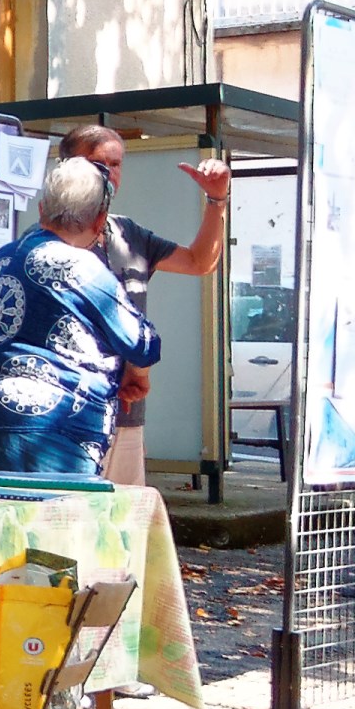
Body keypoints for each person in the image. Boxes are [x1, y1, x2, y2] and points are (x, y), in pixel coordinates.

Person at [0, 157, 162, 479]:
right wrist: (138, 375)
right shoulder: (82, 267)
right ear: (99, 219)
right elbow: (142, 343)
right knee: (54, 524)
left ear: (42, 210)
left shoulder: (1, 259)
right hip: (56, 428)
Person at [55, 123, 229, 486]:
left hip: (126, 416)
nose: (111, 175)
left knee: (123, 528)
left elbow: (200, 262)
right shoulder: (46, 241)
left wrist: (217, 201)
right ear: (68, 168)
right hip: (66, 416)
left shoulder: (128, 234)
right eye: (100, 164)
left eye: (117, 165)